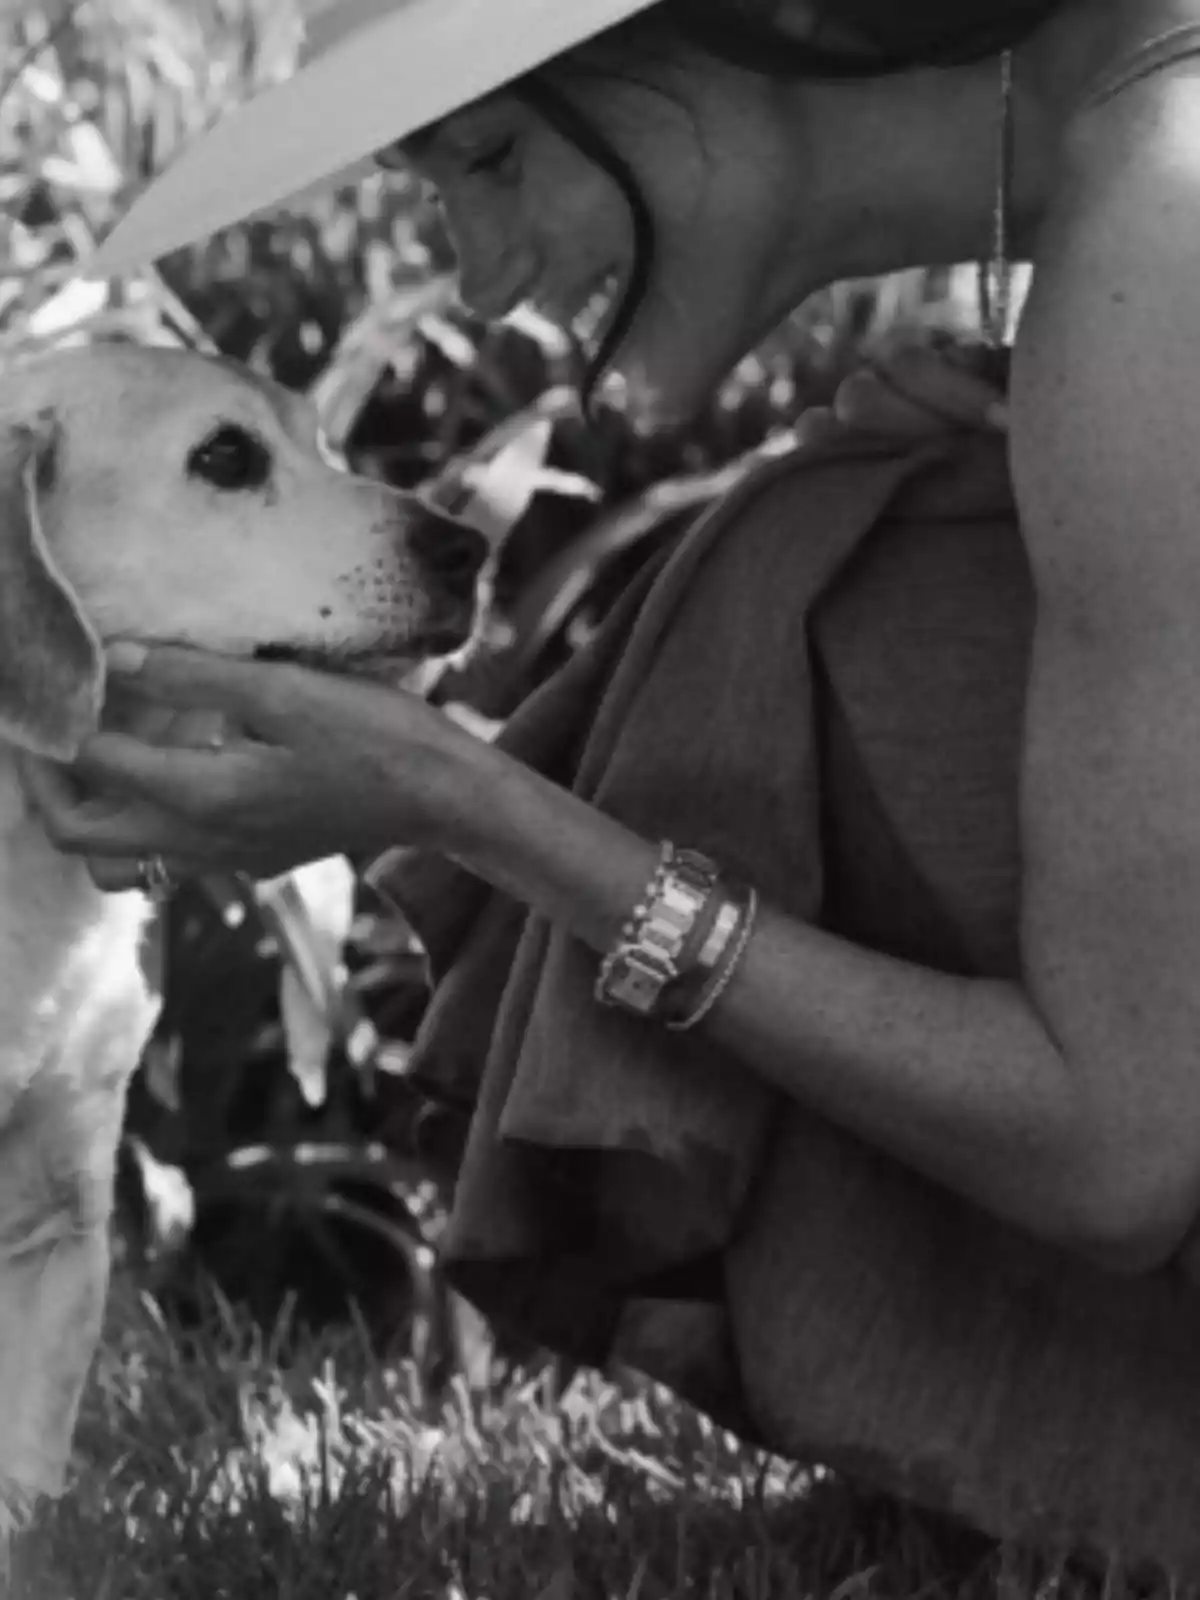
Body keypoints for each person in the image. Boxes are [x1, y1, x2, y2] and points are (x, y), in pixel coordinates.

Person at [24, 0, 1200, 1571]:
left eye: (496, 159)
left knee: (856, 589)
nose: (484, 270)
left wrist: (459, 801)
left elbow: (1120, 1157)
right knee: (848, 559)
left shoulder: (1165, 215)